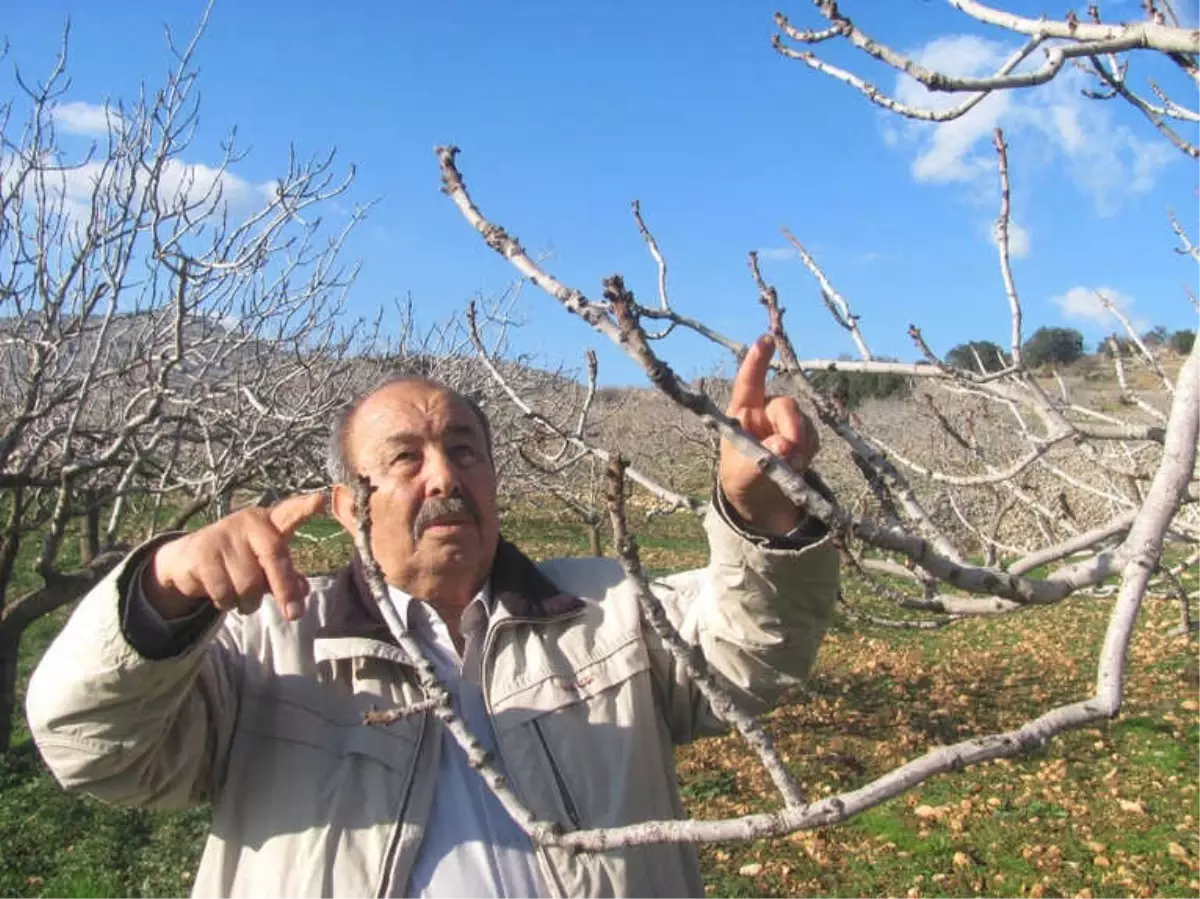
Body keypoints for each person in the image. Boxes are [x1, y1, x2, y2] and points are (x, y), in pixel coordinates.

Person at [26, 335, 839, 898]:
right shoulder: (265, 652)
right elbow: (88, 743)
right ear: (347, 505)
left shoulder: (609, 608)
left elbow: (748, 654)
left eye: (466, 450)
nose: (444, 476)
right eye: (406, 458)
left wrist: (760, 514)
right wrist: (164, 590)